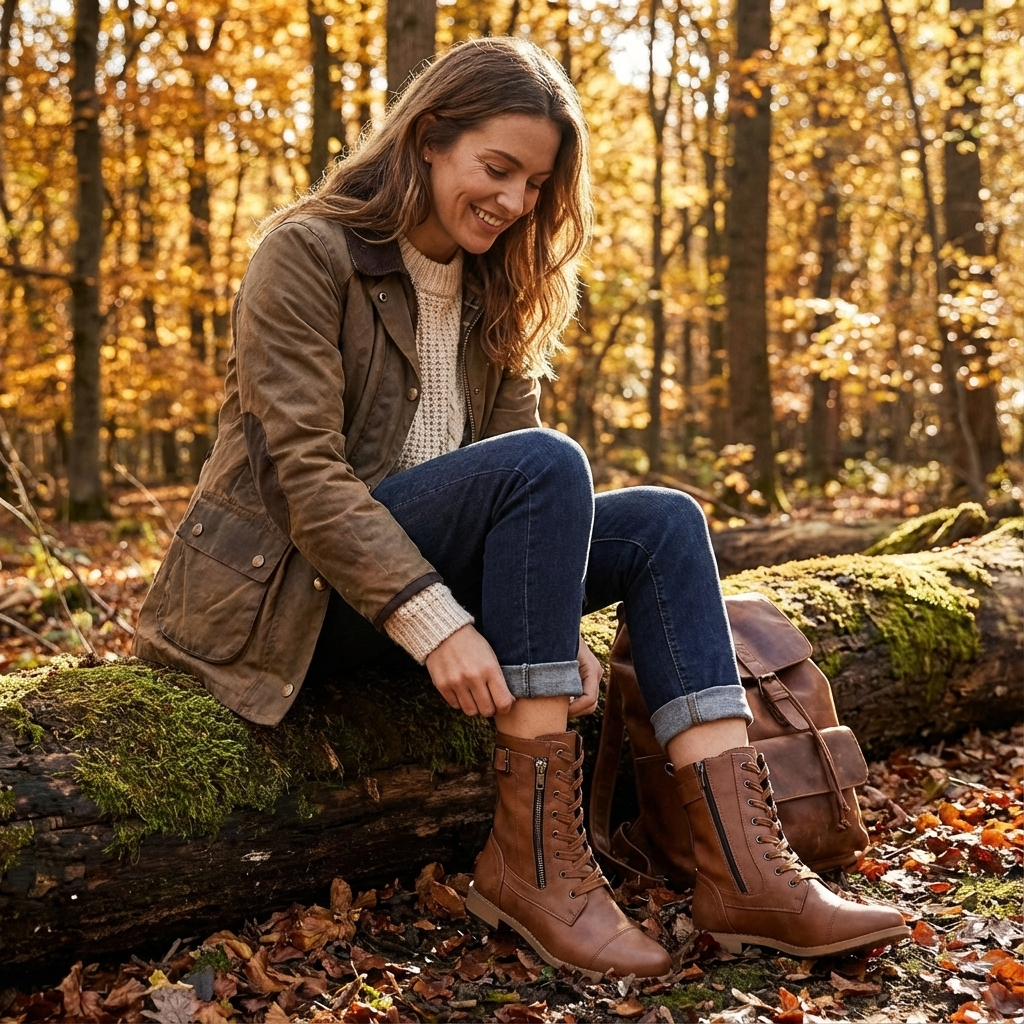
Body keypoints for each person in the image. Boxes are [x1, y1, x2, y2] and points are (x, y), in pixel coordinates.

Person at [134, 37, 908, 980]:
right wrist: (439, 622)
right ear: (427, 139)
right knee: (547, 461)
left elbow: (524, 498)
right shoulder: (306, 252)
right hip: (299, 598)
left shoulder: (498, 284)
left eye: (535, 185)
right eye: (496, 169)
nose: (512, 203)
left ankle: (746, 868)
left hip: (418, 579)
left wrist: (544, 622)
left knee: (665, 518)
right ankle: (533, 865)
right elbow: (308, 477)